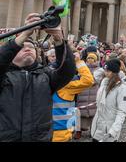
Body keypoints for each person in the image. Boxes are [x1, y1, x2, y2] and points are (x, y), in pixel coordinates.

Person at [0, 13, 76, 142]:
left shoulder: (45, 75)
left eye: (31, 47)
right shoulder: (5, 74)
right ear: (12, 51)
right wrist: (24, 34)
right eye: (22, 47)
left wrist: (59, 39)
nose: (28, 49)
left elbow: (67, 71)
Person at [52, 51, 94, 142]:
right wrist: (79, 62)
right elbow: (88, 80)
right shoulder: (65, 85)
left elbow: (88, 81)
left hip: (53, 133)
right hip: (61, 133)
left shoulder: (41, 80)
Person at [91, 59, 126, 142]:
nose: (105, 73)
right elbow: (95, 74)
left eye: (108, 71)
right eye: (105, 70)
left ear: (114, 72)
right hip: (97, 128)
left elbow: (122, 112)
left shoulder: (122, 88)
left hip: (109, 131)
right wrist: (107, 66)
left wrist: (113, 130)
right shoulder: (104, 83)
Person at [76, 52, 101, 136]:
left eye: (92, 58)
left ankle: (92, 130)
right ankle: (79, 130)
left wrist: (89, 80)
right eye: (89, 58)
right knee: (80, 113)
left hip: (94, 93)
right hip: (83, 92)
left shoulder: (99, 69)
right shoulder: (83, 68)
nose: (90, 60)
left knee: (93, 113)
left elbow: (96, 80)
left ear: (95, 60)